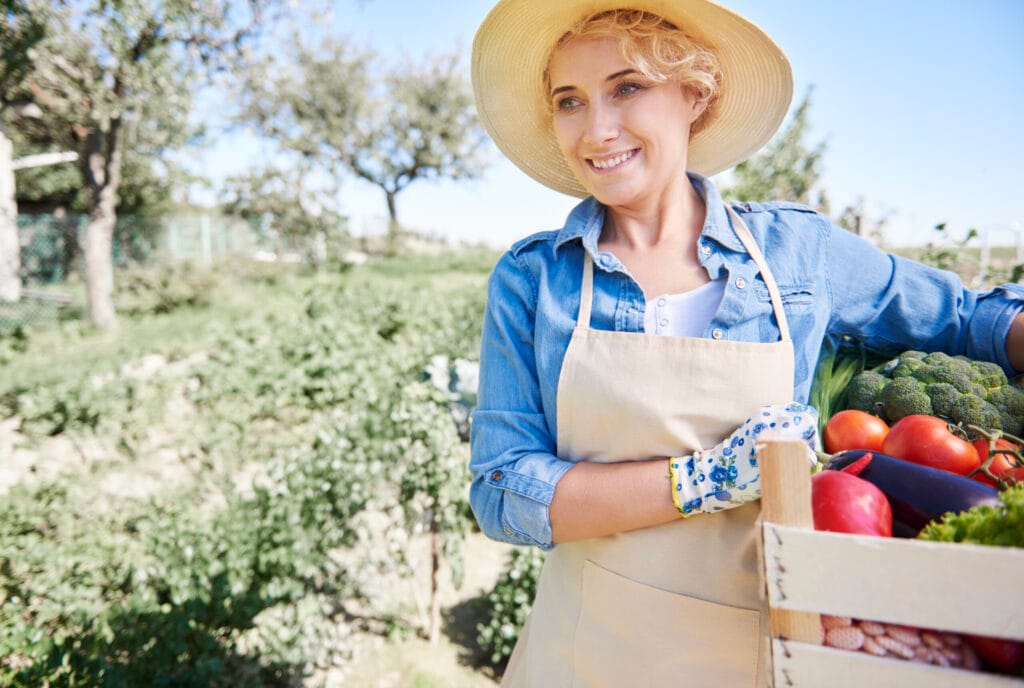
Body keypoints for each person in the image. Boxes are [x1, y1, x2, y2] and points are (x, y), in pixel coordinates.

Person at [468, 1, 1024, 686]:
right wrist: (704, 480)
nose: (597, 128)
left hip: (765, 648)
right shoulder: (536, 279)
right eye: (569, 101)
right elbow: (503, 490)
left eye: (627, 87)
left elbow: (972, 319)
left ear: (694, 95)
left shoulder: (796, 254)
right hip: (587, 652)